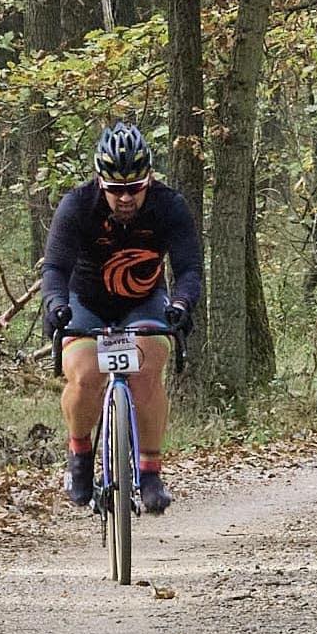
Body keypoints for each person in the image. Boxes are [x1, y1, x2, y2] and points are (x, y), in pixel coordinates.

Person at [41, 122, 202, 514]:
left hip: (144, 301)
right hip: (86, 301)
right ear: (100, 182)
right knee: (85, 374)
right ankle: (80, 455)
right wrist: (55, 305)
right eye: (115, 190)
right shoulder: (78, 205)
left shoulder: (169, 205)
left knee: (147, 368)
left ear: (149, 180)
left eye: (135, 188)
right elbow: (55, 268)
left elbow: (190, 268)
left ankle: (149, 472)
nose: (125, 198)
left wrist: (181, 304)